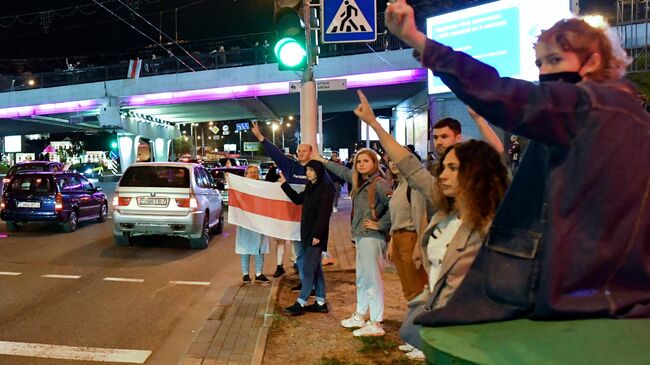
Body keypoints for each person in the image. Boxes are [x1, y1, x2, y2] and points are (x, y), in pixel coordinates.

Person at [385, 0, 650, 324]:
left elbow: (497, 92)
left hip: (579, 297)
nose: (544, 72)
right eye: (539, 63)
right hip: (618, 292)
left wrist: (417, 39)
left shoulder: (584, 105)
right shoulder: (626, 112)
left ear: (593, 61)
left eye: (555, 59)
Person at [354, 90, 509, 356]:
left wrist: (481, 120)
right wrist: (374, 124)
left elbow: (497, 159)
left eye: (454, 168)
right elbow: (409, 164)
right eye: (443, 168)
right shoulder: (441, 213)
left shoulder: (486, 219)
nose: (444, 175)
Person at [313, 148, 392, 337]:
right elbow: (342, 171)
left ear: (374, 163)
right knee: (363, 279)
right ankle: (360, 315)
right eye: (359, 161)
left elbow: (393, 207)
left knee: (372, 280)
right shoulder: (361, 181)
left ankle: (376, 322)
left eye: (366, 161)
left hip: (371, 237)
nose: (361, 164)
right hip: (361, 236)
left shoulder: (379, 184)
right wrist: (322, 160)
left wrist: (379, 224)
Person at [251, 121, 333, 287]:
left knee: (311, 256)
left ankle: (314, 286)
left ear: (311, 153)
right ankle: (305, 282)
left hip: (311, 222)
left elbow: (329, 193)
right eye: (299, 150)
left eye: (305, 150)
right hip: (293, 219)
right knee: (299, 255)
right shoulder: (291, 167)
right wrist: (261, 138)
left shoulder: (318, 171)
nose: (301, 153)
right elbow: (276, 155)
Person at [279, 161, 335, 316]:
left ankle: (301, 303)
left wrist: (318, 235)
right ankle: (321, 303)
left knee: (309, 269)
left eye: (311, 170)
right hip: (306, 233)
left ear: (318, 171)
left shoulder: (326, 188)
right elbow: (297, 199)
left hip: (315, 236)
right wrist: (284, 184)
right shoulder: (311, 186)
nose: (308, 173)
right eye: (307, 170)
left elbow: (324, 214)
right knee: (316, 269)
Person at [234, 165, 271, 284]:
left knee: (259, 247)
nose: (253, 174)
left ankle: (259, 273)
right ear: (246, 174)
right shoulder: (241, 187)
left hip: (259, 221)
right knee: (245, 247)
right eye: (250, 172)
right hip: (245, 221)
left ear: (259, 174)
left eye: (255, 172)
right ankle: (245, 274)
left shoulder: (263, 187)